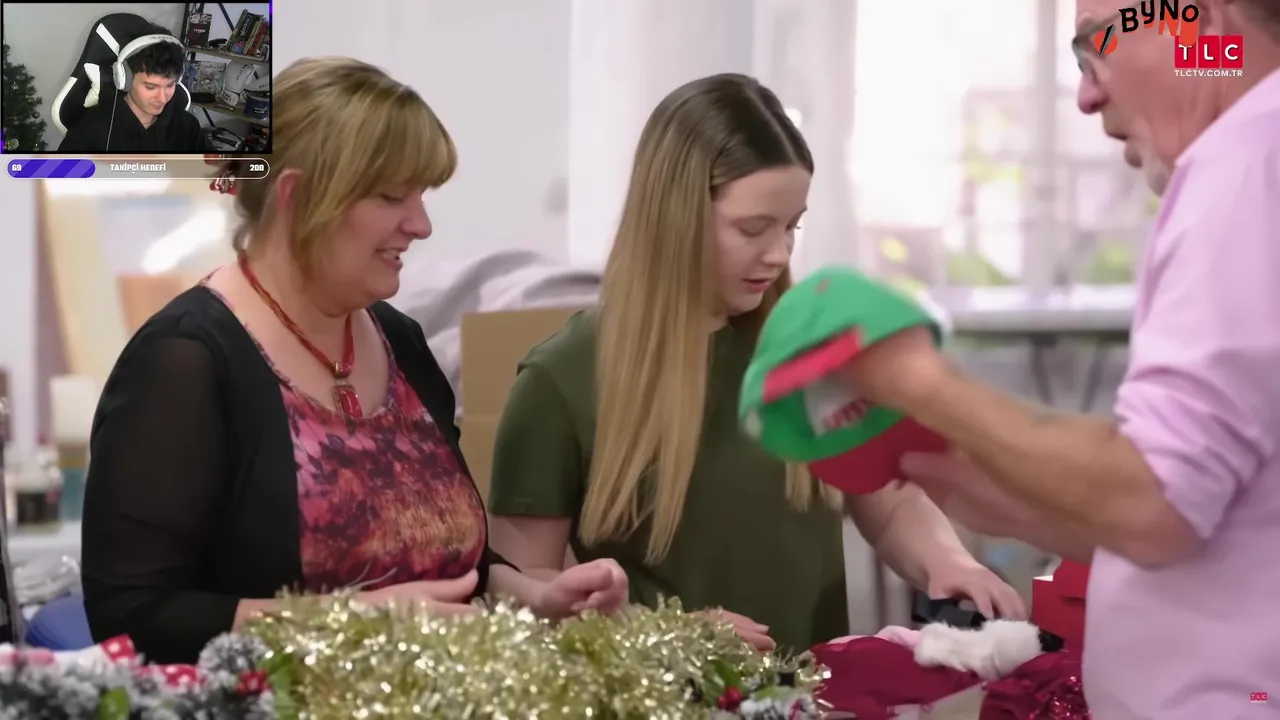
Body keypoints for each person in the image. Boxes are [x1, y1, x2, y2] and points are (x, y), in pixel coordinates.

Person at [81, 57, 627, 665]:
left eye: (421, 196)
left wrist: (537, 596)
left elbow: (448, 566)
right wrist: (350, 622)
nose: (421, 224)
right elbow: (132, 614)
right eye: (393, 197)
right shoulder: (185, 362)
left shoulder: (400, 341)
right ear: (296, 197)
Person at [486, 73, 1025, 656]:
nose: (778, 253)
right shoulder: (558, 381)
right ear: (674, 217)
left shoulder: (814, 352)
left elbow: (888, 499)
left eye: (792, 227)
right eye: (752, 229)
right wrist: (664, 636)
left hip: (818, 691)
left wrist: (947, 562)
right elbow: (524, 591)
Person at [843, 1, 1280, 716]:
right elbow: (1198, 512)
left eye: (1095, 49)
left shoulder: (1243, 167)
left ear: (1203, 29)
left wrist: (916, 378)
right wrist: (954, 472)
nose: (1085, 95)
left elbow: (1155, 502)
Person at [57, 25, 203, 153]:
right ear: (124, 79)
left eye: (170, 85)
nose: (162, 98)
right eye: (150, 87)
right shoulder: (93, 129)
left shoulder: (187, 126)